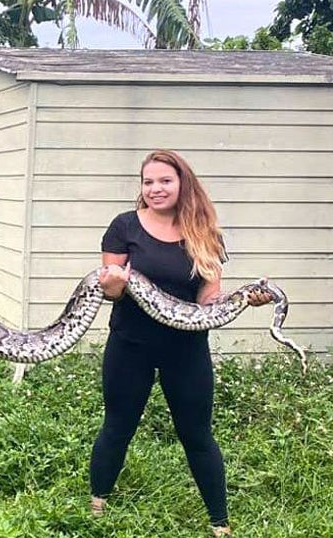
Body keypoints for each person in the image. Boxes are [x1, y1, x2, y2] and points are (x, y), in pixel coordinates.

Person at [92, 150, 271, 537]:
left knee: (197, 434)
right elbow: (111, 288)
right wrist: (112, 287)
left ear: (182, 183)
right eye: (148, 182)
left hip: (187, 349)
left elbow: (209, 298)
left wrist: (242, 298)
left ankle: (220, 524)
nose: (155, 189)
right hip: (131, 345)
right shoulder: (123, 227)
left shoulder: (205, 232)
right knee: (118, 426)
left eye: (164, 181)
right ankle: (96, 508)